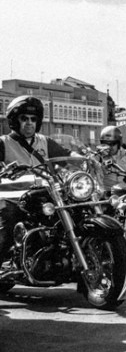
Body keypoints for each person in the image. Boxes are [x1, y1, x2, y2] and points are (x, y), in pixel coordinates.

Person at [0, 95, 71, 260]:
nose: (29, 122)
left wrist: (86, 159)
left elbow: (66, 156)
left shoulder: (45, 142)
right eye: (24, 118)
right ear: (15, 121)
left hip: (42, 198)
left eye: (33, 119)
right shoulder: (4, 143)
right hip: (13, 200)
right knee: (7, 227)